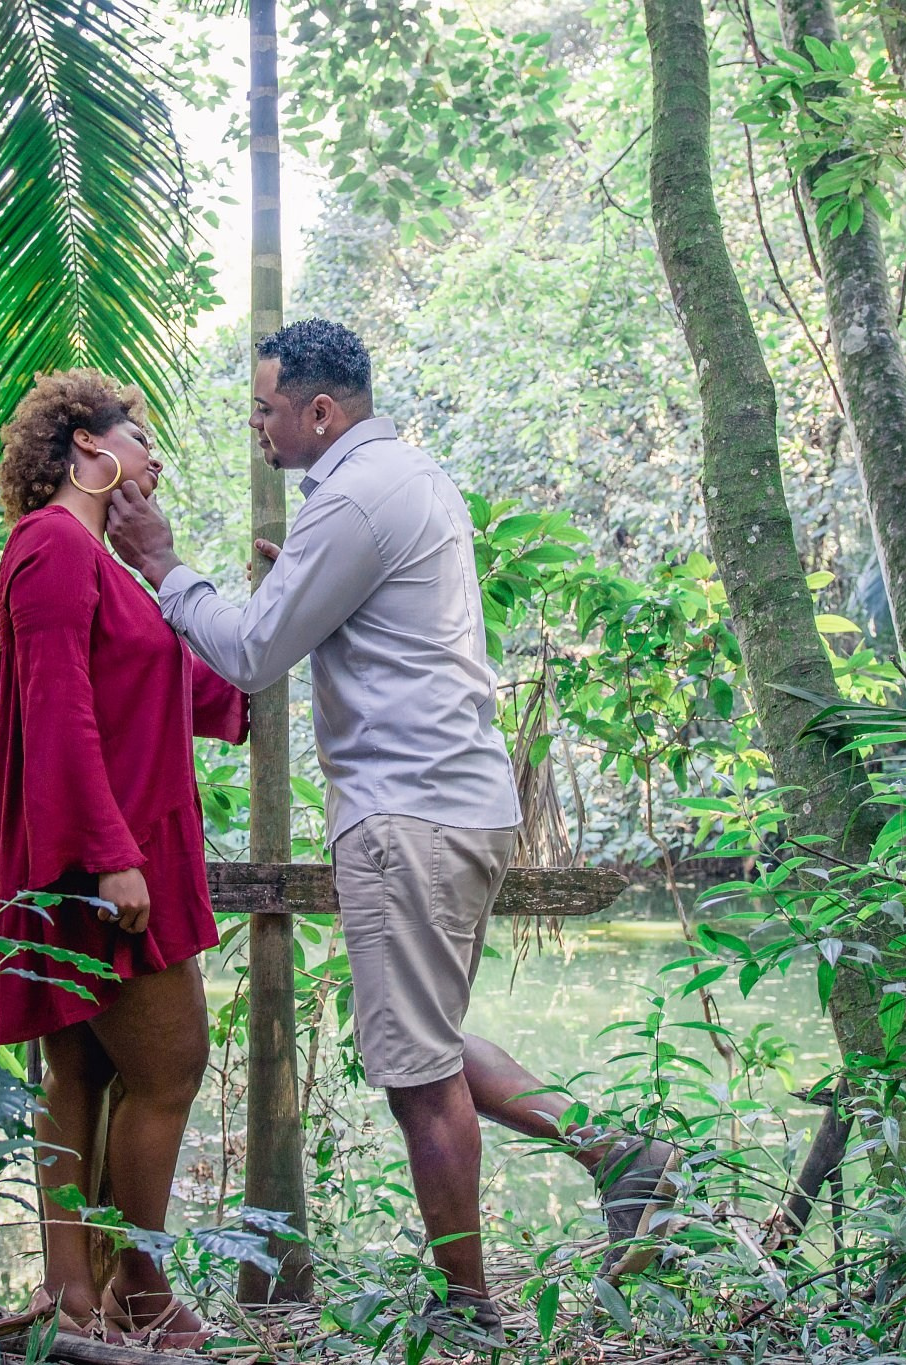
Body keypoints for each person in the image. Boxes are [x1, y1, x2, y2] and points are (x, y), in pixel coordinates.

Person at [106, 319, 681, 1338]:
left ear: (318, 412)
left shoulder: (357, 498)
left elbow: (244, 654)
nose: (256, 426)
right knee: (428, 1038)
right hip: (458, 802)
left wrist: (164, 563)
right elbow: (375, 621)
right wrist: (301, 579)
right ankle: (609, 1148)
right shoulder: (407, 479)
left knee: (416, 1079)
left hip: (405, 811)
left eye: (265, 408)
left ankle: (470, 1309)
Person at [0, 370, 246, 1349]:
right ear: (87, 449)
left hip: (113, 855)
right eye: (138, 436)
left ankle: (72, 1297)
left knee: (82, 1075)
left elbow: (189, 693)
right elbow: (60, 710)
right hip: (103, 866)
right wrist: (109, 857)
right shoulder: (51, 547)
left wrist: (271, 621)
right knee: (172, 1067)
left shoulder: (99, 563)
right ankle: (137, 1281)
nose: (154, 455)